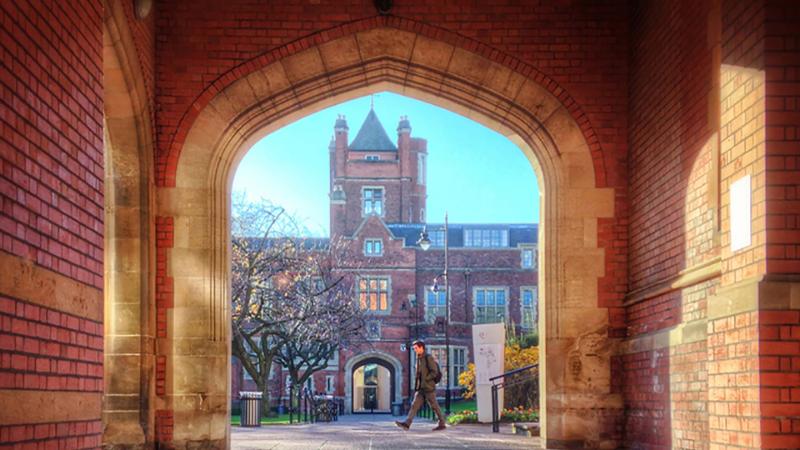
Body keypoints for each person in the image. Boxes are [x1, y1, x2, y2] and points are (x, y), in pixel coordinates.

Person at [395, 340, 447, 431]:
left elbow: (434, 372)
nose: (415, 350)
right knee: (414, 405)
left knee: (434, 406)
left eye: (416, 348)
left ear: (421, 347)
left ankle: (442, 423)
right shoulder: (418, 358)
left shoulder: (428, 358)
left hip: (428, 388)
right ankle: (407, 423)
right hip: (421, 388)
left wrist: (426, 379)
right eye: (414, 348)